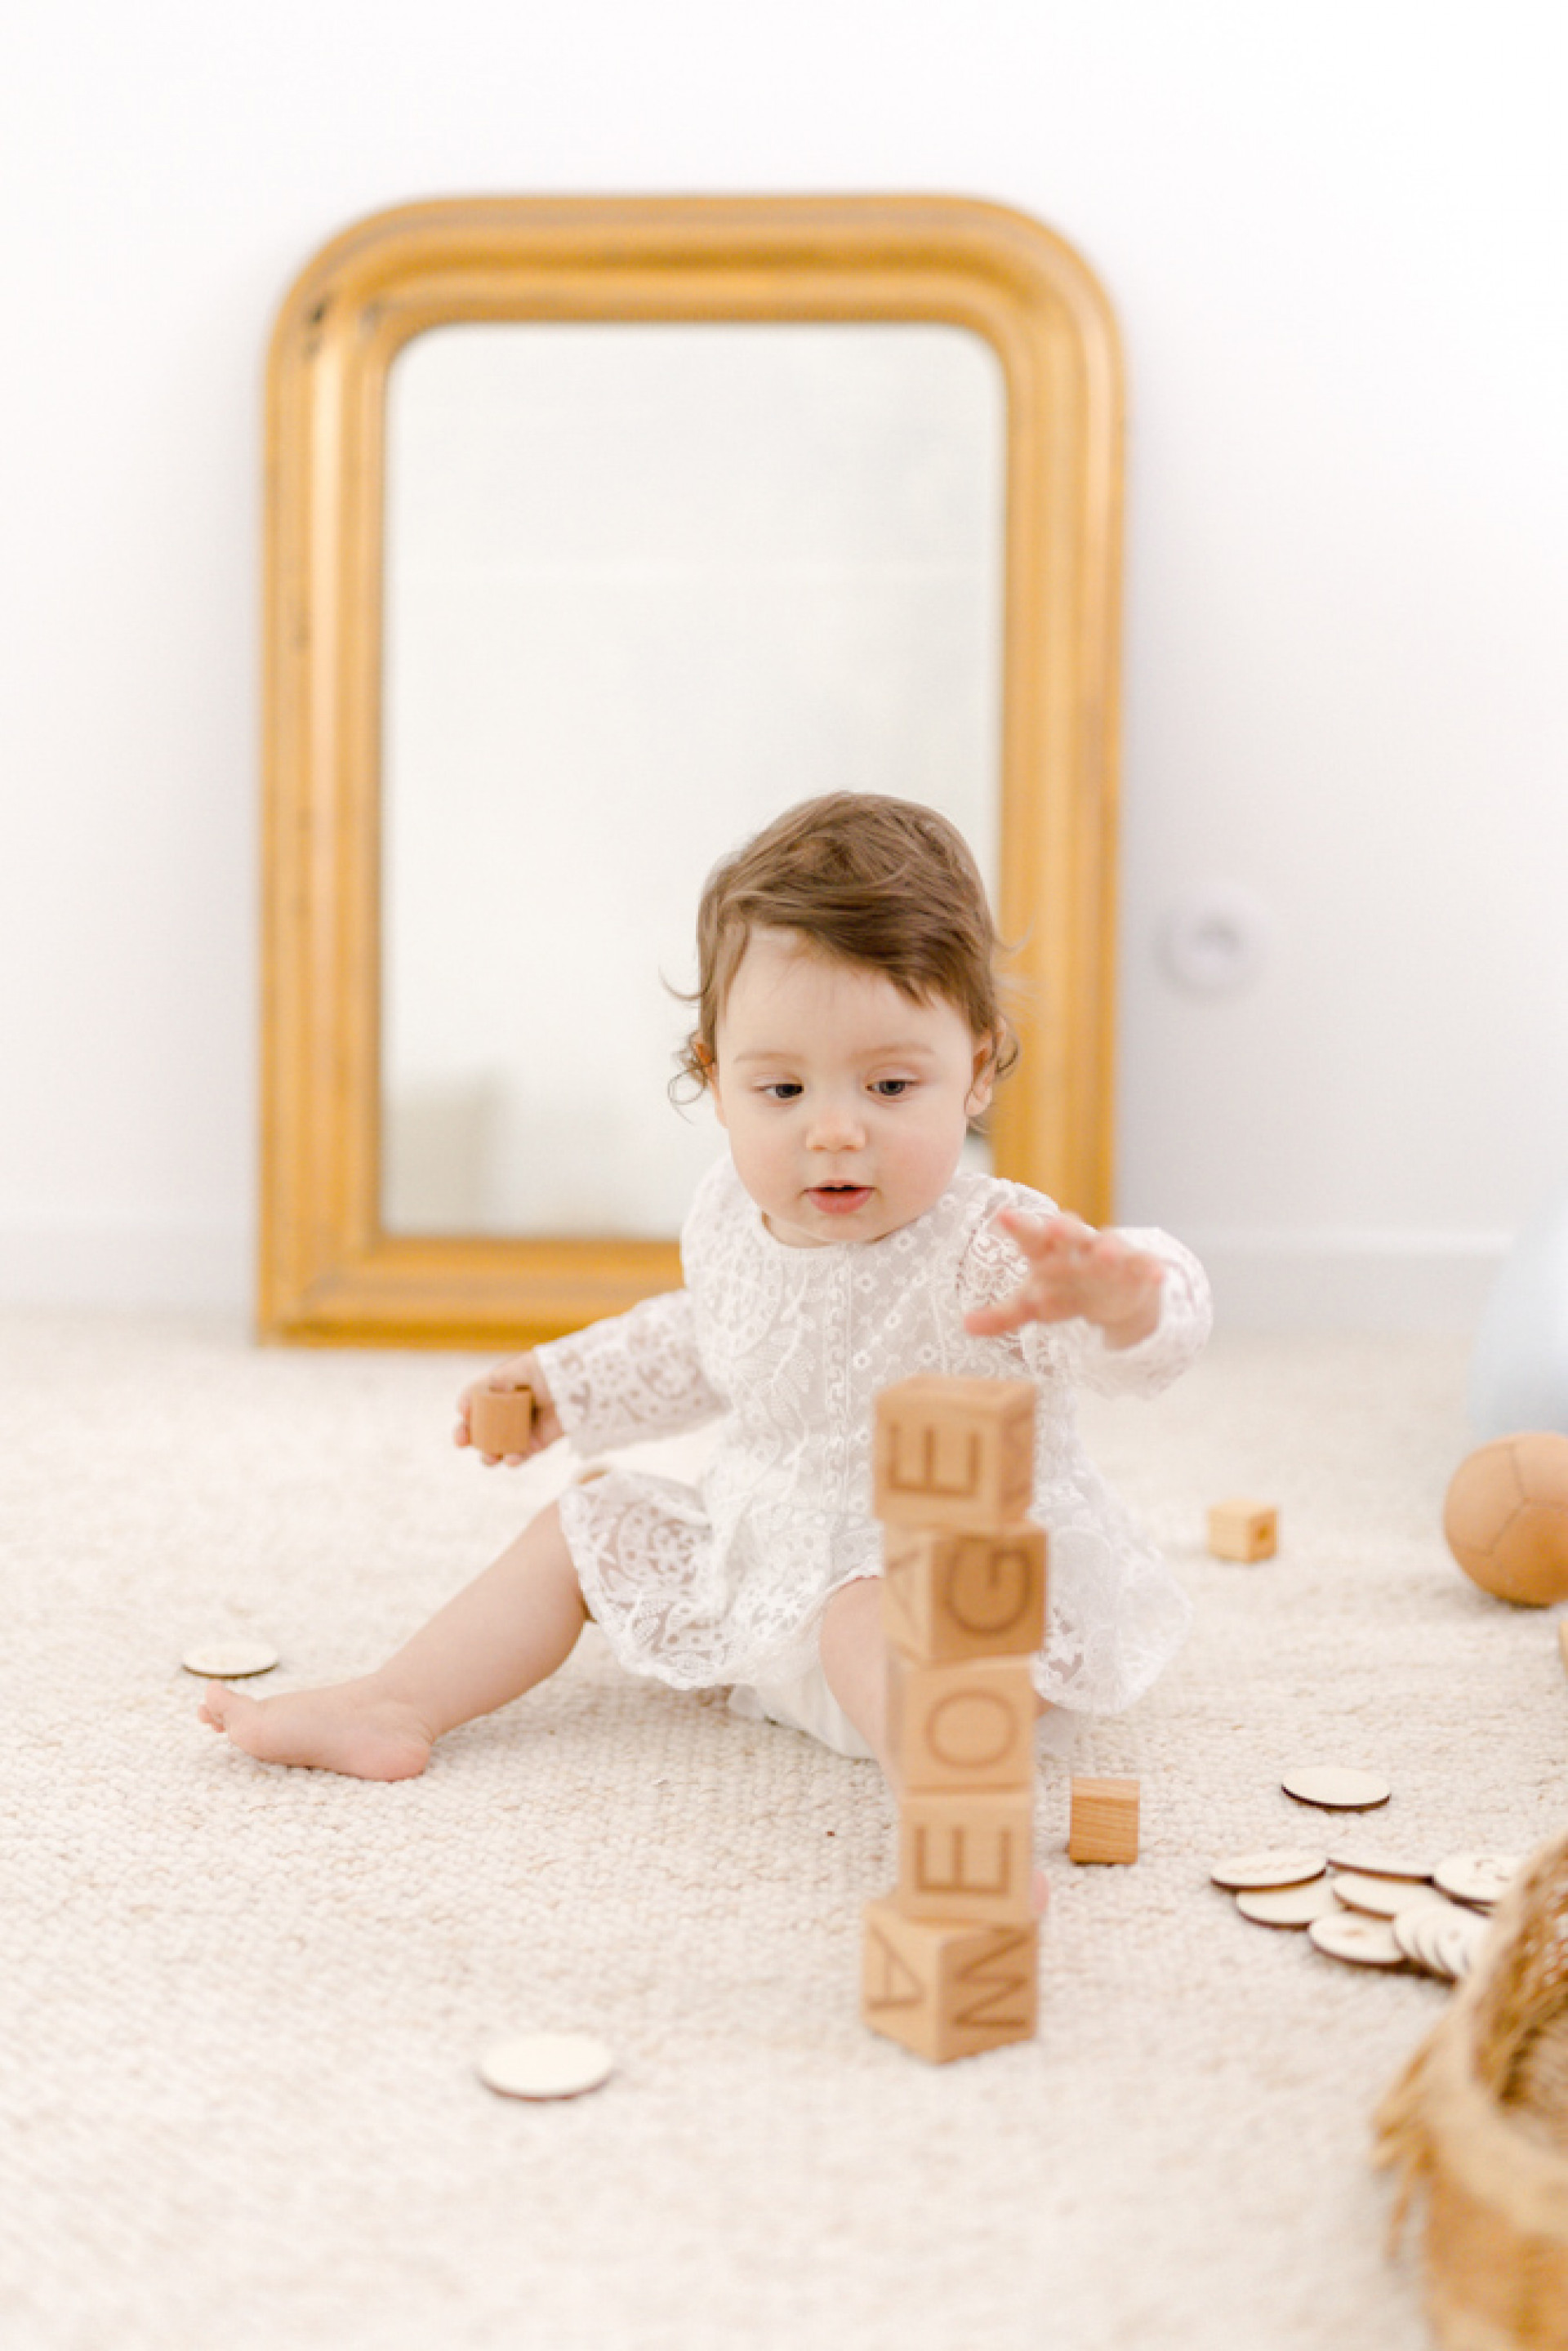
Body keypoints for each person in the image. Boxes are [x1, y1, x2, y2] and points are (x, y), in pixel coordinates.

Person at [202, 792, 1210, 1801]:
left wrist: (1124, 1302)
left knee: (865, 1608)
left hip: (962, 1617)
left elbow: (1137, 1343)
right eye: (784, 1090)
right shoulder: (732, 1214)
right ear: (715, 1077)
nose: (835, 1130)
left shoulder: (992, 1243)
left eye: (890, 1087)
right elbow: (706, 1336)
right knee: (584, 1523)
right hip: (768, 1569)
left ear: (977, 1070)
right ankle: (393, 1703)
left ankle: (955, 1801)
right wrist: (566, 1383)